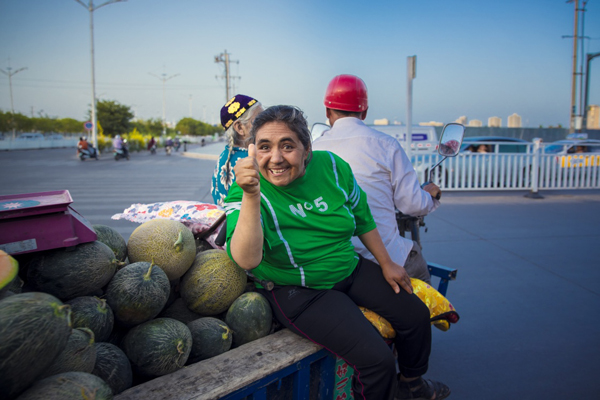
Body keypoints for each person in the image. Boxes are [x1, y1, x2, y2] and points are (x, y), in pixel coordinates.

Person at [224, 105, 450, 400]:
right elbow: (246, 259)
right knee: (376, 360)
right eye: (265, 147)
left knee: (416, 315)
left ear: (307, 149)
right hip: (300, 290)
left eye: (288, 146)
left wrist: (386, 263)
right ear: (253, 151)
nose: (276, 158)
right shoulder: (245, 191)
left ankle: (411, 385)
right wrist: (252, 195)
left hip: (348, 267)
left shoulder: (331, 166)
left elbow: (362, 217)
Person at [312, 75, 440, 283]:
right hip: (385, 259)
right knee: (421, 276)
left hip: (333, 262)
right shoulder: (386, 145)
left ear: (327, 111)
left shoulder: (313, 149)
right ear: (364, 112)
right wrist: (429, 196)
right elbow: (411, 204)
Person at [211, 94, 263, 206]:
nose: (266, 124)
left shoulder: (225, 155)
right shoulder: (250, 159)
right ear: (240, 128)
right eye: (259, 120)